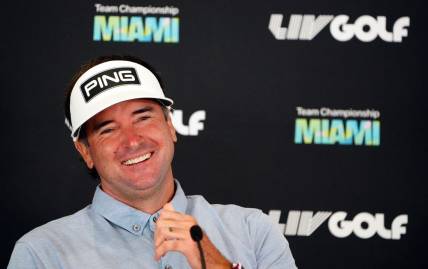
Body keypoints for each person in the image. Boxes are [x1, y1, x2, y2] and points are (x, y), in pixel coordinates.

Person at [8, 56, 297, 269]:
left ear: (170, 125)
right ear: (85, 151)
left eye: (143, 117)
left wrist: (217, 265)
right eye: (107, 129)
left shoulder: (252, 230)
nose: (132, 141)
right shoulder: (42, 254)